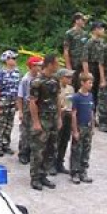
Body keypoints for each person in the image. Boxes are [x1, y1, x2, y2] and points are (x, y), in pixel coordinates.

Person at [29, 54, 59, 191]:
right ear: (50, 64)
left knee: (50, 149)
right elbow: (32, 102)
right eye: (56, 63)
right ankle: (35, 178)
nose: (58, 65)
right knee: (38, 150)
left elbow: (57, 99)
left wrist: (59, 118)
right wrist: (36, 122)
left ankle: (43, 175)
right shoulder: (37, 81)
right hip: (42, 119)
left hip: (52, 119)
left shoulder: (55, 79)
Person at [0, 50, 19, 157]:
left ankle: (5, 144)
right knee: (0, 124)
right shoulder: (1, 72)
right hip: (3, 101)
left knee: (9, 124)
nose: (15, 60)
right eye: (13, 58)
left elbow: (18, 88)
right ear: (7, 60)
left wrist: (17, 102)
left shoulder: (17, 72)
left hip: (13, 101)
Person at [69, 72, 95, 184]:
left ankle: (83, 171)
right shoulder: (76, 97)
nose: (91, 85)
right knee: (77, 150)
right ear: (82, 83)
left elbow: (91, 111)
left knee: (86, 149)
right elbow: (73, 114)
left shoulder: (90, 96)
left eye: (92, 83)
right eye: (89, 83)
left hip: (88, 127)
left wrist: (92, 126)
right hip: (80, 126)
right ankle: (74, 172)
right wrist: (75, 130)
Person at [17, 56, 43, 164]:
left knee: (36, 131)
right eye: (38, 65)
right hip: (27, 106)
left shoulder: (41, 77)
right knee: (26, 131)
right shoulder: (25, 79)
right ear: (32, 66)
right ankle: (23, 153)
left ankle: (33, 153)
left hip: (38, 105)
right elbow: (20, 96)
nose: (40, 67)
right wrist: (20, 111)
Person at [52, 68, 74, 175]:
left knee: (65, 140)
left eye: (71, 77)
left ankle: (60, 163)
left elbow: (71, 103)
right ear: (61, 78)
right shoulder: (56, 88)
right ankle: (51, 164)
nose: (70, 79)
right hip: (58, 116)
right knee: (55, 141)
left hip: (68, 116)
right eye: (68, 77)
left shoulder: (71, 88)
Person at [82, 21, 106, 109]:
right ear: (95, 30)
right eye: (100, 28)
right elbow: (85, 60)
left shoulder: (102, 42)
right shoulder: (89, 42)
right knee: (91, 92)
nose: (103, 30)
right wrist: (87, 74)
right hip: (92, 68)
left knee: (99, 93)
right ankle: (89, 113)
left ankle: (95, 113)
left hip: (101, 68)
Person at [63, 12, 88, 78]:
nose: (84, 22)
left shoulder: (85, 33)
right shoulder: (69, 33)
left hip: (82, 64)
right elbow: (66, 50)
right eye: (83, 20)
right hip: (73, 64)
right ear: (77, 21)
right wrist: (68, 66)